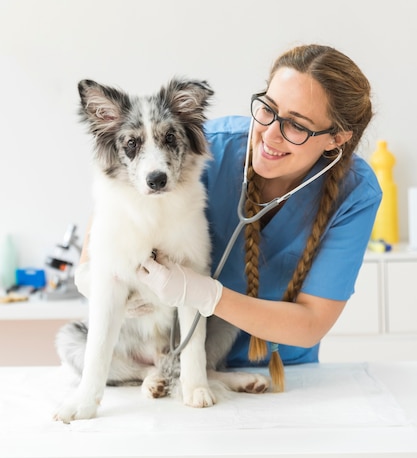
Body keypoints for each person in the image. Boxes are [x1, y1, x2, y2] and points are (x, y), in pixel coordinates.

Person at [76, 44, 382, 391]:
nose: (269, 134)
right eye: (268, 108)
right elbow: (119, 201)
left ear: (336, 139)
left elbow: (311, 322)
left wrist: (207, 295)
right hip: (174, 352)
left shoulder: (356, 193)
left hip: (283, 375)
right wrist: (89, 272)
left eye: (296, 125)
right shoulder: (210, 149)